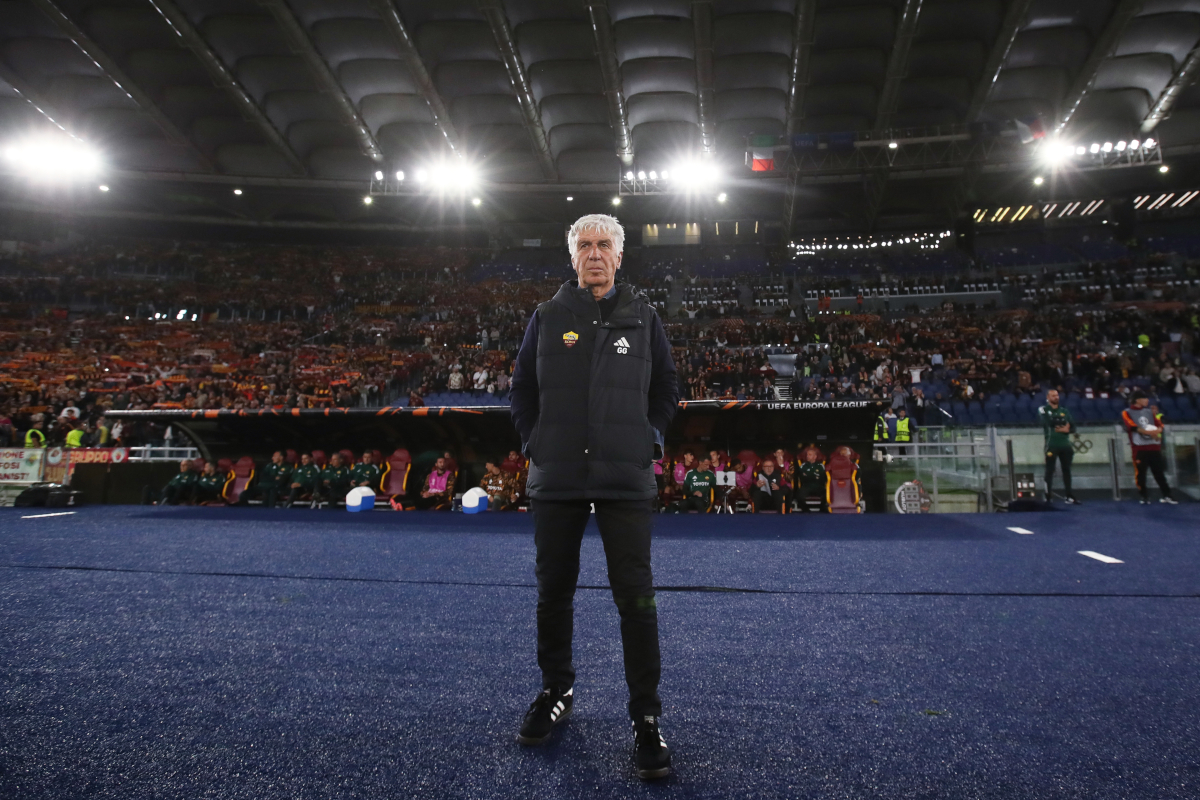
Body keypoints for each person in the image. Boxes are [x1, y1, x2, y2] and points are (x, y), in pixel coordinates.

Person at [509, 213, 678, 780]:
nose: (595, 254)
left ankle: (646, 716)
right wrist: (536, 442)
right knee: (553, 592)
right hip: (557, 478)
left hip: (623, 478)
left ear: (620, 255)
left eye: (604, 244)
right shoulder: (547, 316)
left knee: (635, 597)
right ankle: (556, 689)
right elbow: (521, 390)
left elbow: (667, 390)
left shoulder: (644, 317)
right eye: (584, 245)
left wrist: (646, 439)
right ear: (572, 256)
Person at [1121, 391, 1177, 504]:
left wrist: (1157, 431)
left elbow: (1159, 424)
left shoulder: (1149, 412)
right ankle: (1144, 496)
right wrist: (1149, 432)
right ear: (1137, 400)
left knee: (1159, 473)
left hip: (1154, 447)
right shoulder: (1127, 412)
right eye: (1145, 398)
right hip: (1139, 448)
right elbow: (1132, 427)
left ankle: (1167, 495)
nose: (1147, 401)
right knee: (1141, 473)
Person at [1038, 389, 1079, 504]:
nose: (1056, 397)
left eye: (1057, 395)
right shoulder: (1044, 409)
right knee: (1049, 470)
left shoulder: (1064, 411)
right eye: (1053, 396)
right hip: (1052, 444)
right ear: (1048, 397)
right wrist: (1063, 427)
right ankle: (1047, 495)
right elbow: (1048, 422)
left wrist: (1066, 428)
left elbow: (1073, 427)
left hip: (1065, 445)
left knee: (1067, 470)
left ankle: (1069, 495)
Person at [794, 448, 827, 512]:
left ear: (815, 456)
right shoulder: (803, 465)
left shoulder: (820, 465)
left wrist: (809, 475)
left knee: (827, 493)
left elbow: (823, 478)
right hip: (806, 486)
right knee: (798, 495)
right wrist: (814, 475)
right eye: (807, 455)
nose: (807, 456)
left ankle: (822, 508)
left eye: (810, 455)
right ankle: (806, 510)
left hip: (818, 486)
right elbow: (801, 477)